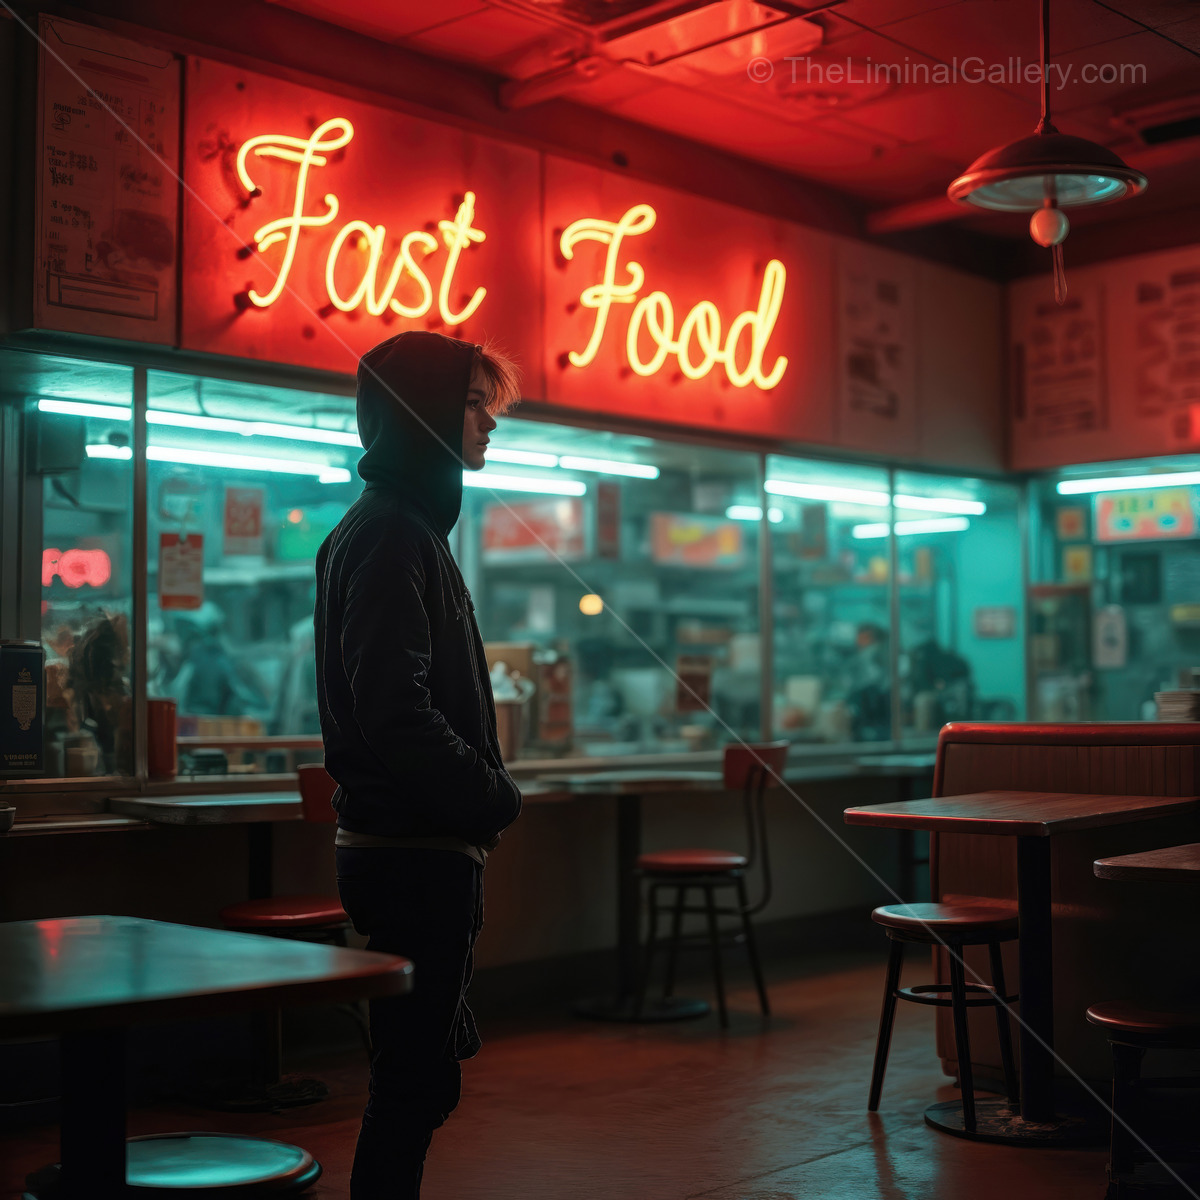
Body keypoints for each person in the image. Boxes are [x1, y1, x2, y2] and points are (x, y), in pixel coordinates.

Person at [314, 331, 524, 1199]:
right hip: (414, 855)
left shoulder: (396, 530)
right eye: (477, 405)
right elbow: (395, 711)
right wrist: (491, 797)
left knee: (420, 1079)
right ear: (428, 414)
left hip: (407, 848)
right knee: (413, 1085)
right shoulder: (394, 535)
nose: (490, 426)